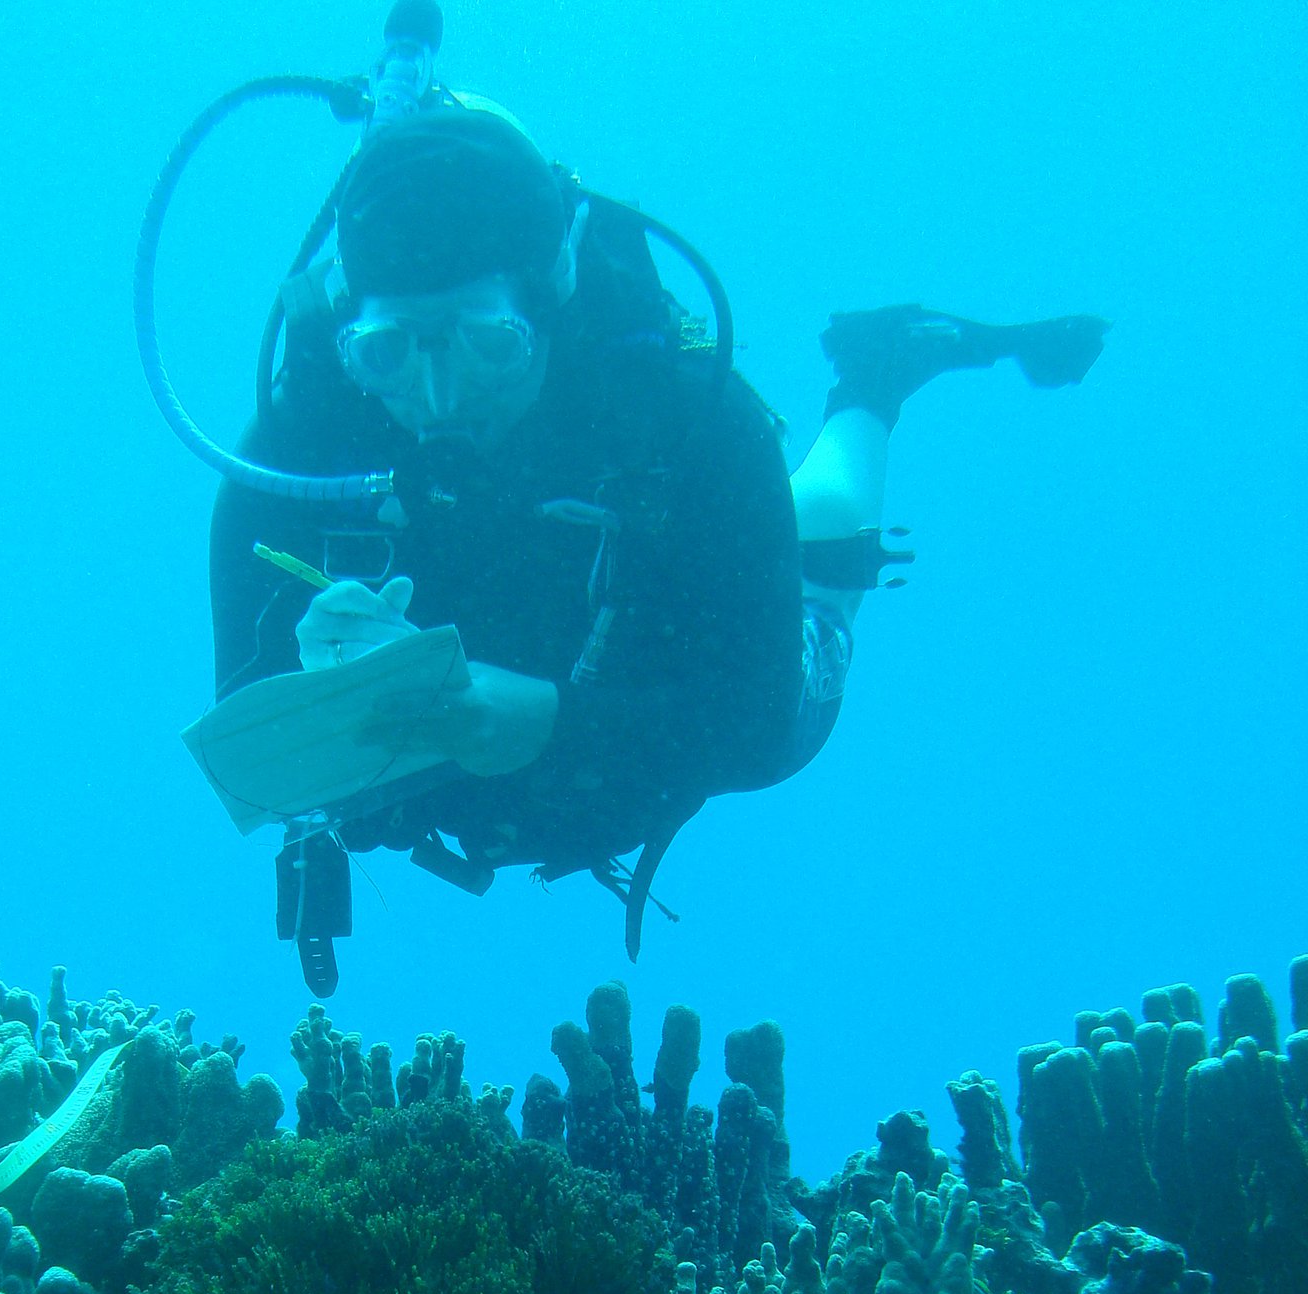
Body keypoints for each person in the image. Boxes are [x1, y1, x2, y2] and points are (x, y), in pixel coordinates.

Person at [209, 104, 1105, 995]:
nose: (440, 394)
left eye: (489, 342)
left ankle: (873, 380)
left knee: (816, 571)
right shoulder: (295, 450)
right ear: (347, 336)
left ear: (551, 292)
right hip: (489, 774)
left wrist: (554, 721)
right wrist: (309, 676)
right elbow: (248, 744)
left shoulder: (690, 419)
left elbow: (757, 723)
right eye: (389, 351)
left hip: (673, 651)